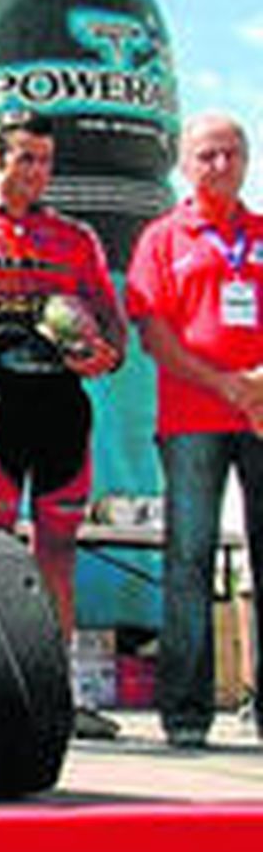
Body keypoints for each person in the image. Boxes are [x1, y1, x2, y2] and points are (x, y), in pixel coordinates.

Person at [0, 110, 127, 741]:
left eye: (45, 161)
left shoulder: (76, 237)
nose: (36, 172)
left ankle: (59, 694)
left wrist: (104, 354)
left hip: (60, 412)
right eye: (24, 158)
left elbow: (113, 329)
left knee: (57, 549)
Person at [126, 112, 263, 750]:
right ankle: (184, 713)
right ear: (185, 163)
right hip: (192, 421)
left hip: (260, 417)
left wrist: (256, 384)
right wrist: (226, 385)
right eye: (207, 155)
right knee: (188, 561)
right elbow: (154, 335)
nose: (220, 165)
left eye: (232, 154)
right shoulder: (162, 237)